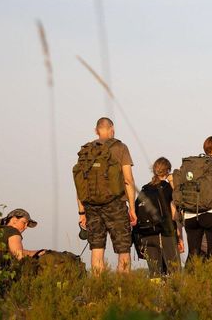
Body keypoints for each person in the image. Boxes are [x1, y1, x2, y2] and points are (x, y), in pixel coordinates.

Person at [75, 117, 137, 273]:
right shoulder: (120, 148)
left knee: (96, 248)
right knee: (123, 249)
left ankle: (98, 287)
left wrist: (81, 211)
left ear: (96, 131)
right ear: (112, 129)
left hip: (91, 206)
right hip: (115, 204)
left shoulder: (86, 151)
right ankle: (124, 288)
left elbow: (80, 184)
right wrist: (132, 208)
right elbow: (128, 180)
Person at [134, 157, 183, 276]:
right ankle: (173, 294)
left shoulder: (144, 190)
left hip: (146, 235)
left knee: (155, 272)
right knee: (174, 270)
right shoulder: (167, 188)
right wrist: (179, 237)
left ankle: (155, 294)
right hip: (165, 235)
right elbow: (174, 214)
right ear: (168, 171)